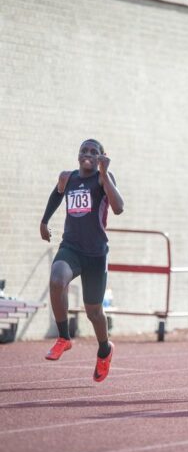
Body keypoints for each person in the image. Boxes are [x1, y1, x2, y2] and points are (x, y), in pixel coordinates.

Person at [40, 139, 124, 382]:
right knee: (57, 279)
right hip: (71, 248)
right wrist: (45, 221)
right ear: (78, 154)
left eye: (93, 151)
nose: (87, 154)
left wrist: (105, 173)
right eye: (84, 150)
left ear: (101, 156)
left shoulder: (102, 179)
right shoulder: (68, 177)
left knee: (94, 311)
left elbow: (118, 208)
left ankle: (104, 349)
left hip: (96, 254)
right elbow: (57, 193)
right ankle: (64, 338)